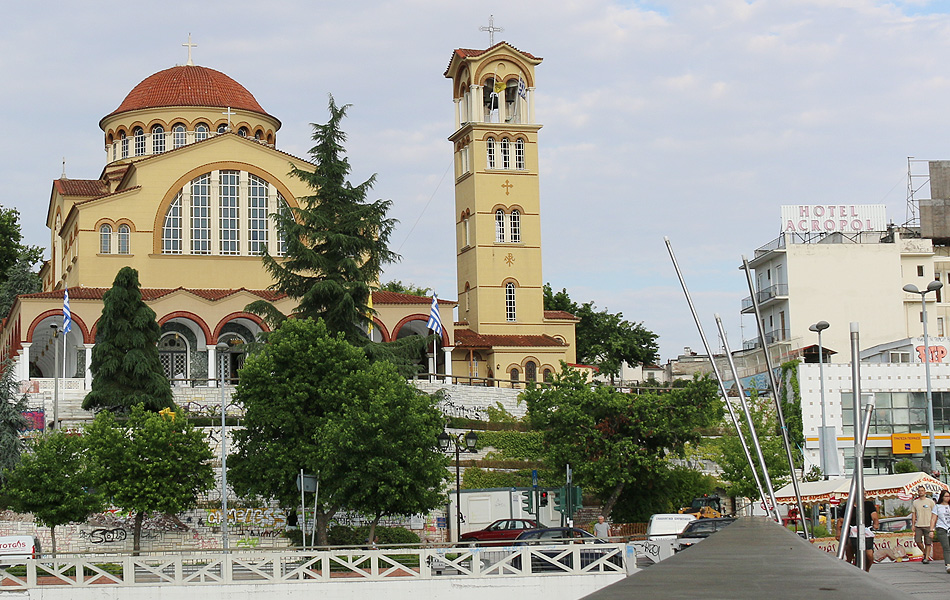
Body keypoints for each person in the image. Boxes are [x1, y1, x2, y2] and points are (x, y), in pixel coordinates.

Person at [836, 494, 879, 572]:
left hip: (865, 531)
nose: (864, 496)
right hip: (852, 531)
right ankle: (849, 567)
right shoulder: (847, 506)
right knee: (849, 549)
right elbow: (840, 520)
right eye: (863, 494)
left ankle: (867, 569)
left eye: (865, 494)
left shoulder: (869, 505)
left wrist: (876, 523)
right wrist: (838, 533)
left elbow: (874, 516)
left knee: (869, 555)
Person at [911, 485, 936, 563]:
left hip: (928, 524)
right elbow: (913, 514)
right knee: (917, 541)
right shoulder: (915, 502)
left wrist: (934, 524)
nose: (921, 492)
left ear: (925, 492)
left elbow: (934, 513)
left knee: (928, 542)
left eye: (922, 490)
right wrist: (913, 524)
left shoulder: (930, 502)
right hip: (919, 525)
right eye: (919, 491)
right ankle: (925, 552)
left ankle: (927, 558)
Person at [930, 489, 950, 573]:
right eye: (946, 496)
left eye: (949, 496)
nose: (947, 498)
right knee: (946, 547)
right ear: (942, 497)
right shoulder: (937, 507)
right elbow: (933, 518)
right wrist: (931, 530)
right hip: (941, 528)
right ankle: (948, 565)